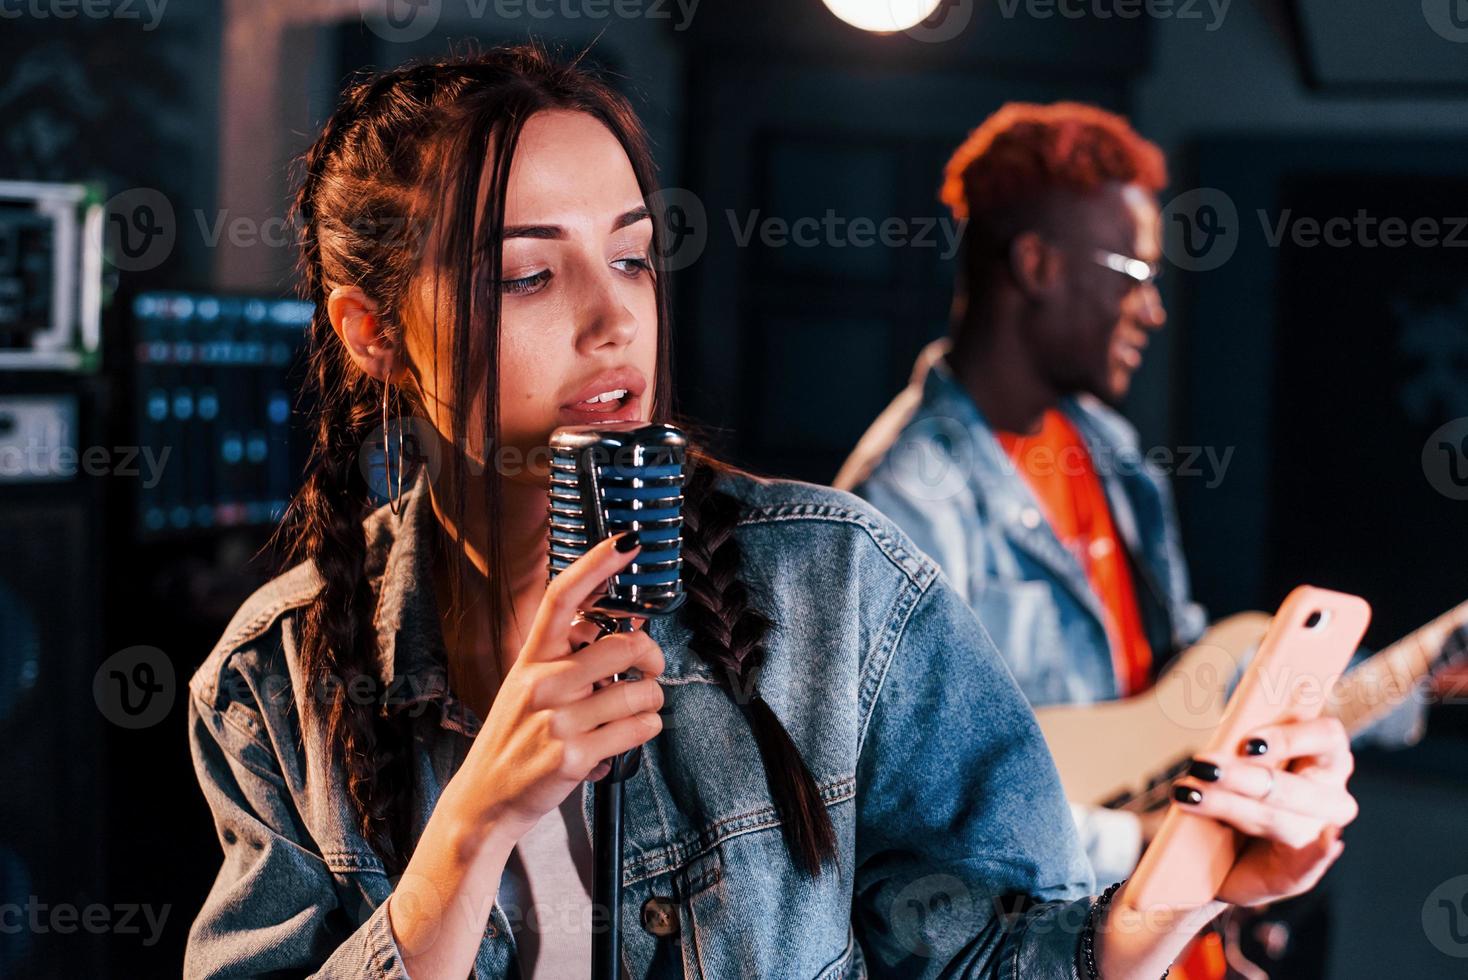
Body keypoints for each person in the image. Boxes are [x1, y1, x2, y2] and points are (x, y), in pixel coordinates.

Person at [185, 55, 1359, 979]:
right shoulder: (269, 682)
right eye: (529, 276)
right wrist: (471, 827)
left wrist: (1201, 876)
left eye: (636, 260)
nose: (615, 323)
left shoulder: (838, 584)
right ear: (371, 329)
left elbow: (997, 958)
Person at [834, 103, 1419, 976]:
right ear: (1037, 265)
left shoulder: (1110, 454)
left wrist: (1404, 689)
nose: (1152, 308)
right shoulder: (899, 507)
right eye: (1133, 270)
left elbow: (1181, 688)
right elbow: (909, 799)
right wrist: (1146, 842)